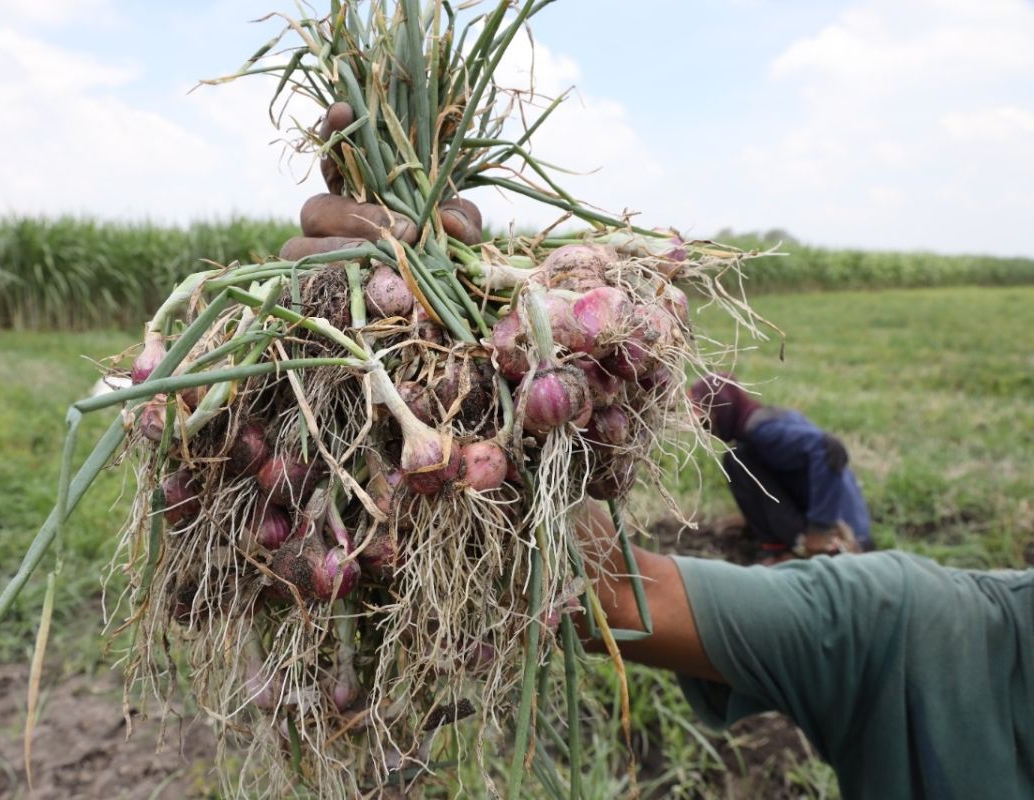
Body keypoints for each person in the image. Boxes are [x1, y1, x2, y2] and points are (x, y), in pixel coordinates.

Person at [290, 108, 1034, 798]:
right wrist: (445, 373)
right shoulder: (915, 630)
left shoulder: (783, 451)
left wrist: (825, 538)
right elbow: (607, 593)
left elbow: (826, 458)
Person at [688, 372, 873, 562]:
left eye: (706, 421)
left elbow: (830, 449)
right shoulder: (770, 421)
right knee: (742, 454)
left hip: (845, 540)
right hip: (855, 529)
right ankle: (786, 540)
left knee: (736, 460)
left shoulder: (765, 432)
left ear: (723, 408)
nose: (707, 430)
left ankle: (780, 550)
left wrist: (820, 528)